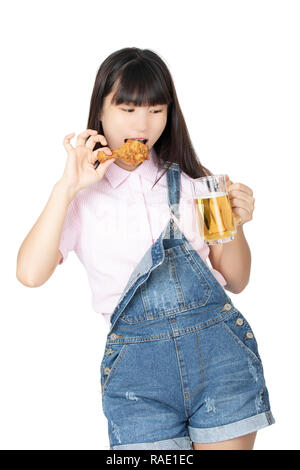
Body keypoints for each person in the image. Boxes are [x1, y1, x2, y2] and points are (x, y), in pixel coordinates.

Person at [16, 47, 275, 450]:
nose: (143, 124)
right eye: (128, 109)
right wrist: (66, 187)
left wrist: (236, 227)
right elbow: (30, 274)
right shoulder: (80, 198)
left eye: (156, 110)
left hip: (221, 362)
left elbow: (237, 280)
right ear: (100, 111)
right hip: (139, 380)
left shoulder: (196, 182)